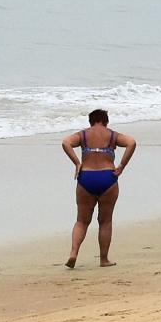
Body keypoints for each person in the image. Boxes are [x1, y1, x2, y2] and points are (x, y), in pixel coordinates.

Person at [61, 109, 136, 269]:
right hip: (107, 178)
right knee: (105, 221)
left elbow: (65, 142)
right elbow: (131, 142)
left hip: (86, 178)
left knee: (81, 221)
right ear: (105, 121)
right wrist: (121, 166)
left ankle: (73, 253)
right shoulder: (112, 135)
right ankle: (103, 259)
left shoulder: (83, 135)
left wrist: (76, 163)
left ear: (91, 121)